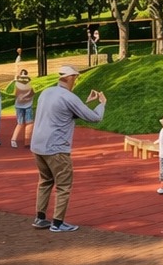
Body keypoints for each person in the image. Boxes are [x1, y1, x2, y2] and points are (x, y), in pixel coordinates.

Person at [30, 63, 107, 233]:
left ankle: (40, 218)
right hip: (56, 147)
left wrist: (85, 102)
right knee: (64, 185)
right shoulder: (68, 97)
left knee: (45, 181)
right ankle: (58, 223)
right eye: (76, 77)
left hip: (38, 146)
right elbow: (94, 118)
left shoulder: (46, 92)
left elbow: (65, 113)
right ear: (70, 78)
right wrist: (102, 103)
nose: (76, 81)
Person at [8, 69, 35, 149]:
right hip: (27, 105)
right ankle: (27, 141)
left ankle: (14, 139)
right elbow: (32, 93)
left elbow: (15, 94)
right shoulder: (29, 83)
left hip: (19, 105)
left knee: (20, 123)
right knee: (29, 123)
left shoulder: (17, 83)